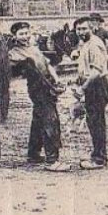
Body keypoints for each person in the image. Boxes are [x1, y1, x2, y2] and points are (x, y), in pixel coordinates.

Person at [8, 21, 69, 172]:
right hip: (37, 88)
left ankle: (33, 154)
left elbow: (48, 65)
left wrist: (57, 79)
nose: (25, 36)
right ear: (14, 36)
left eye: (27, 33)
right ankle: (51, 160)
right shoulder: (13, 53)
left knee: (38, 119)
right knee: (50, 120)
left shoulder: (34, 48)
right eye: (21, 34)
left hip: (48, 83)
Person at [74, 16, 108, 169]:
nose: (81, 32)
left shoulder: (95, 44)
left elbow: (96, 71)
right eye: (78, 29)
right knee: (92, 121)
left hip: (97, 85)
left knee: (97, 123)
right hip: (91, 85)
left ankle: (99, 159)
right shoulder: (86, 44)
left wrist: (83, 88)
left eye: (84, 29)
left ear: (93, 28)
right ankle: (97, 154)